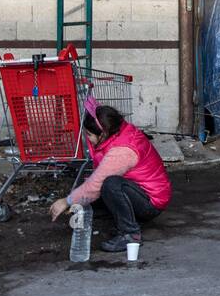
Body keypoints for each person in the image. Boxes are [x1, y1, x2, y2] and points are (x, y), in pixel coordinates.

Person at [49, 104, 171, 252]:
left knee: (110, 184)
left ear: (103, 133)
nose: (88, 139)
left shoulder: (122, 151)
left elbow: (96, 184)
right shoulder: (118, 133)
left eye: (89, 135)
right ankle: (115, 218)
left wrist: (66, 201)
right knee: (91, 185)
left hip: (151, 204)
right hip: (138, 190)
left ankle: (131, 234)